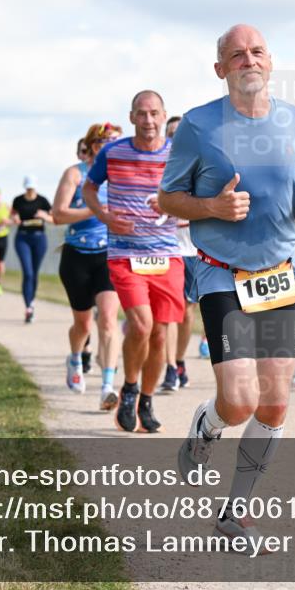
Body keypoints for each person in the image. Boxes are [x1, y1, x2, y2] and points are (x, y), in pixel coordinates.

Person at [159, 24, 295, 549]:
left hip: (280, 272)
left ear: (270, 62)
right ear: (220, 69)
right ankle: (207, 427)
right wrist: (210, 207)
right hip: (221, 271)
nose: (247, 59)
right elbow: (167, 199)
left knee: (274, 403)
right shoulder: (198, 127)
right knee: (239, 400)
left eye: (256, 51)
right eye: (235, 54)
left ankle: (236, 510)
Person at [85, 93, 183, 434]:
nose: (148, 120)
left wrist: (172, 206)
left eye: (154, 113)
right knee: (141, 324)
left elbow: (194, 197)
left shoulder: (179, 154)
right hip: (125, 253)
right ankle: (128, 388)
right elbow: (89, 189)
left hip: (166, 254)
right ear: (131, 117)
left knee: (159, 334)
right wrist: (105, 217)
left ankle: (146, 398)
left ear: (164, 115)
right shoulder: (113, 152)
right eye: (141, 114)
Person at [53, 123, 123, 410]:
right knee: (82, 324)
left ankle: (108, 386)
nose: (113, 148)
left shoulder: (121, 176)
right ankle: (74, 358)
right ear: (94, 146)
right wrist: (97, 210)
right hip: (77, 256)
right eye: (108, 143)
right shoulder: (75, 173)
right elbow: (58, 214)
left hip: (110, 255)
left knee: (108, 319)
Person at [160, 115, 204, 391]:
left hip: (194, 248)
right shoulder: (159, 167)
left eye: (179, 132)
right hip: (166, 247)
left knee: (187, 313)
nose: (175, 137)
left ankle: (178, 361)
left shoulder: (199, 165)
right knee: (168, 312)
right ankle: (168, 369)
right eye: (170, 133)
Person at [11, 175, 53, 323]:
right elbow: (13, 216)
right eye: (27, 188)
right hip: (22, 238)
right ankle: (28, 307)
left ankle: (32, 302)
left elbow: (54, 219)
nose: (30, 191)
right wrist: (14, 219)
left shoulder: (43, 201)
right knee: (27, 272)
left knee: (34, 273)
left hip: (39, 238)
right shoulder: (18, 200)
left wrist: (44, 216)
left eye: (32, 188)